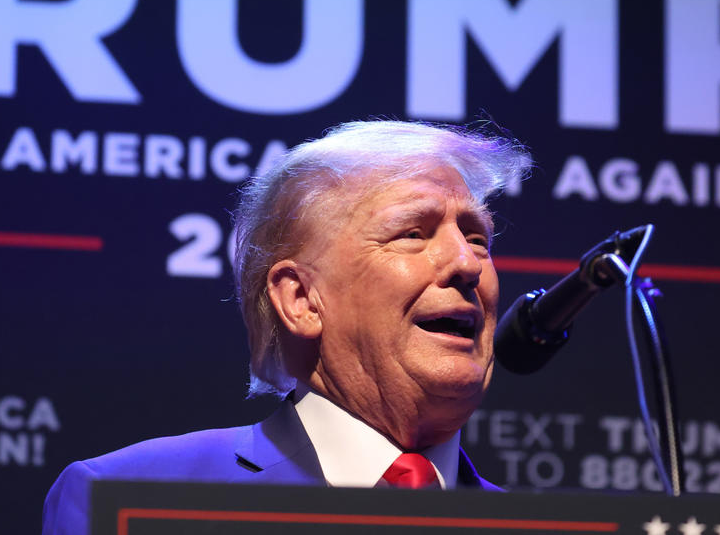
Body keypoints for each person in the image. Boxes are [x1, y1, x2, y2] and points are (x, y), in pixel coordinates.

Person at [43, 120, 530, 534]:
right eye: (413, 234)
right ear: (301, 300)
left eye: (477, 238)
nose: (467, 263)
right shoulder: (131, 504)